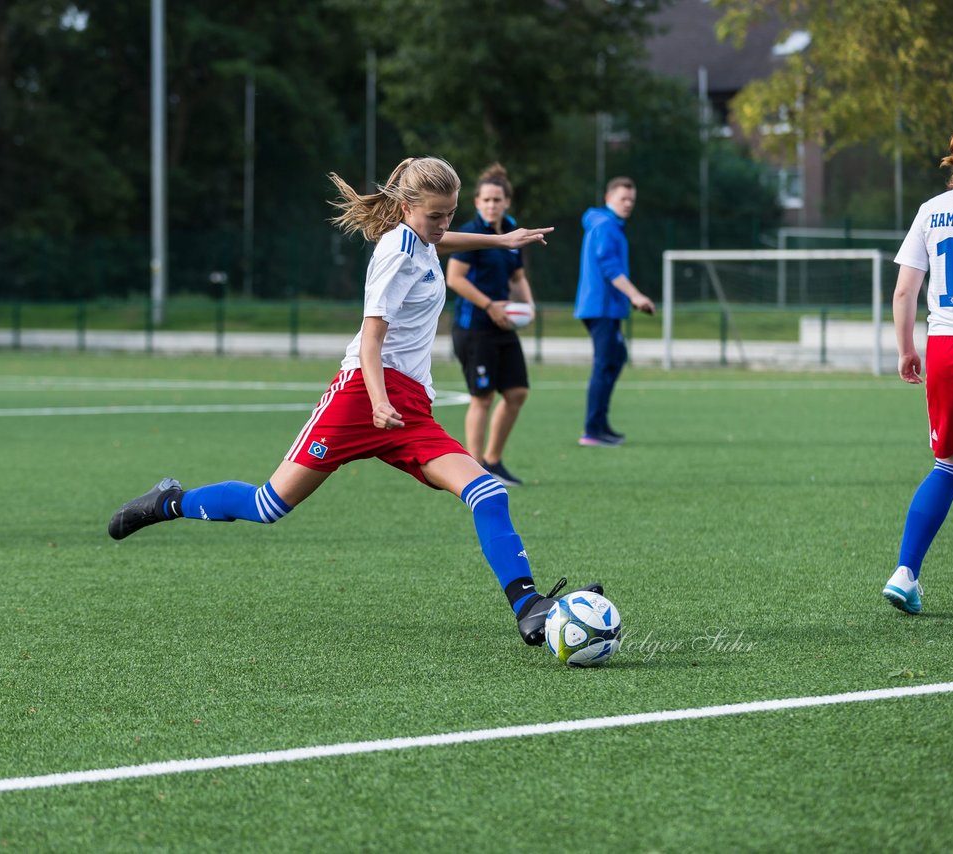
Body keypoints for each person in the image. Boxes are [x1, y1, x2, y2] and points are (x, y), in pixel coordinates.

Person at [109, 156, 601, 646]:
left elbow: (439, 241)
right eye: (436, 215)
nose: (445, 224)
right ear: (407, 207)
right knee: (267, 505)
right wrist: (379, 400)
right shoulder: (394, 253)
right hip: (361, 398)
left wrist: (501, 240)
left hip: (408, 408)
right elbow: (371, 339)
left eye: (450, 213)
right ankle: (168, 503)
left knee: (488, 492)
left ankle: (529, 607)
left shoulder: (423, 238)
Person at [883, 120, 953, 627]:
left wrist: (907, 350)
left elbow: (904, 292)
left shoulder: (932, 210)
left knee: (949, 466)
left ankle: (905, 573)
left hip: (946, 347)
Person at [445, 163, 536, 487]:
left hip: (503, 328)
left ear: (507, 202)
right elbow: (453, 279)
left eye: (497, 200)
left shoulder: (510, 231)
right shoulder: (472, 234)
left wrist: (528, 304)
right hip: (474, 328)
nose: (491, 205)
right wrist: (488, 305)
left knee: (517, 392)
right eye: (486, 200)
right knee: (481, 398)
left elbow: (517, 276)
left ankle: (494, 461)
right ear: (477, 203)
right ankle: (475, 469)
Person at [574, 176, 655, 447]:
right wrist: (635, 295)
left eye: (632, 199)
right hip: (601, 307)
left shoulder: (607, 224)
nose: (628, 204)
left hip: (605, 307)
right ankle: (591, 430)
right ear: (609, 199)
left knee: (616, 357)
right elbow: (609, 267)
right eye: (623, 198)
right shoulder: (606, 225)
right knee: (604, 363)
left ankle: (600, 425)